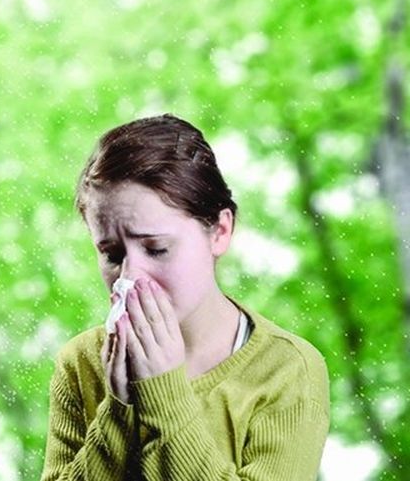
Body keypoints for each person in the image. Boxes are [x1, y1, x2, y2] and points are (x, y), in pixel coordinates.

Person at [39, 114, 330, 480]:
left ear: (220, 231)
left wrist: (162, 392)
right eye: (112, 254)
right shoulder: (80, 364)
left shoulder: (288, 370)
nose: (130, 276)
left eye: (157, 248)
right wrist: (117, 409)